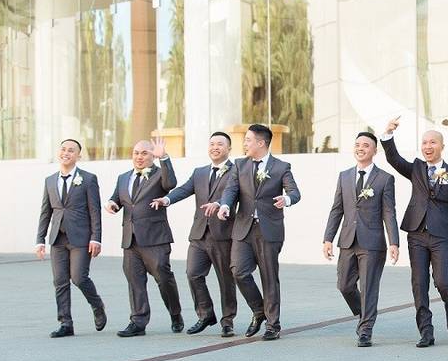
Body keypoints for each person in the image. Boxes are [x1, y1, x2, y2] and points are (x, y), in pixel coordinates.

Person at [380, 116, 448, 348]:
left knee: (442, 282)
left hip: (441, 236)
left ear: (442, 146)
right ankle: (426, 331)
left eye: (432, 143)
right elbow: (393, 158)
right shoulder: (416, 168)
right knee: (419, 283)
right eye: (424, 142)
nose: (427, 146)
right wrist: (388, 134)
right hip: (416, 234)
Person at [210, 124, 301, 341]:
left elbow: (294, 192)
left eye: (248, 140)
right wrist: (224, 206)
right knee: (238, 271)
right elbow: (231, 190)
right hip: (243, 229)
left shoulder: (281, 167)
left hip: (269, 230)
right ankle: (259, 309)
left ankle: (272, 325)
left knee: (269, 277)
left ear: (261, 143)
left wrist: (286, 199)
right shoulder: (239, 165)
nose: (245, 144)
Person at [151, 131, 238, 338]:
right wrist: (166, 200)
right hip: (199, 234)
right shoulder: (199, 172)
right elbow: (183, 190)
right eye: (212, 144)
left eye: (220, 144)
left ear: (228, 149)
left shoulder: (237, 171)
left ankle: (228, 321)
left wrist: (221, 205)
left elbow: (234, 196)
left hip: (223, 233)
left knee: (225, 280)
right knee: (193, 273)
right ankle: (205, 314)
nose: (215, 147)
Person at [322, 132, 400, 347]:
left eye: (366, 145)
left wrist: (393, 242)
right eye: (357, 145)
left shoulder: (384, 178)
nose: (360, 148)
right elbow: (337, 209)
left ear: (374, 150)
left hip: (372, 242)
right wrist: (328, 238)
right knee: (344, 285)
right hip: (347, 240)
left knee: (368, 288)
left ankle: (365, 329)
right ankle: (363, 312)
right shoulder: (344, 176)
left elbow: (389, 212)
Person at [106, 136, 183, 337]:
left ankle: (175, 314)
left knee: (163, 277)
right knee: (135, 280)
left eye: (145, 153)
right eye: (136, 153)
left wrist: (164, 158)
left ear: (152, 155)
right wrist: (111, 204)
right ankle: (138, 321)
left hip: (155, 238)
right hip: (130, 239)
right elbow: (117, 199)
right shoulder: (124, 177)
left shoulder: (159, 175)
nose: (139, 157)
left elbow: (171, 183)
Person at [34, 138, 106, 338]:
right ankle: (65, 323)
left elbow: (95, 211)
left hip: (81, 238)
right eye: (63, 149)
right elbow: (45, 212)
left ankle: (97, 305)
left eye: (71, 150)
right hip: (58, 238)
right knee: (60, 281)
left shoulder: (88, 179)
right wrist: (40, 239)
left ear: (78, 156)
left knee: (79, 277)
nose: (66, 153)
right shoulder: (50, 180)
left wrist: (96, 238)